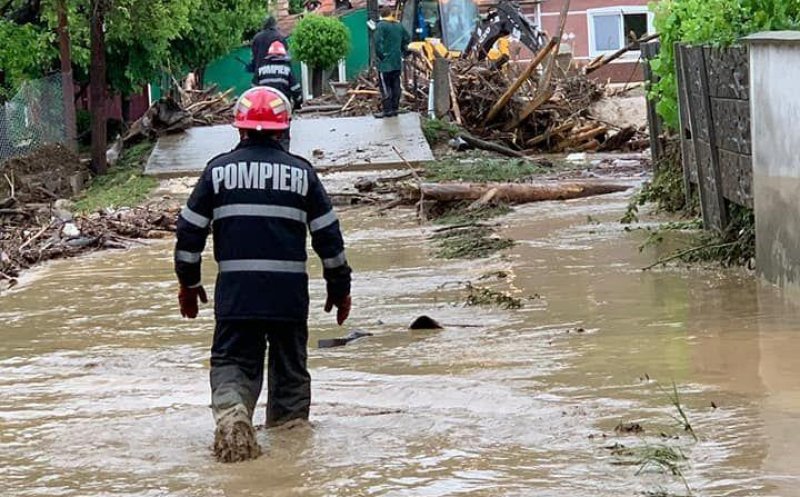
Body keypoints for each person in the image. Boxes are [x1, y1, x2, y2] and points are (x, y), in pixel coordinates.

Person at [173, 87, 353, 463]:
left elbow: (189, 234)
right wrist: (340, 289)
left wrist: (189, 284)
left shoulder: (217, 171)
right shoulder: (303, 174)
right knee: (289, 378)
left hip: (237, 298)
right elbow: (329, 241)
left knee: (231, 364)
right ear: (283, 129)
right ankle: (289, 455)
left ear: (239, 130)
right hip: (288, 301)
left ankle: (234, 413)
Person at [374, 6, 410, 118]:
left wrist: (381, 56)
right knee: (396, 85)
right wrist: (403, 52)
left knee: (385, 87)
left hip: (385, 64)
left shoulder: (380, 26)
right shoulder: (399, 25)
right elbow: (407, 39)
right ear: (391, 14)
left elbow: (377, 43)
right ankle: (395, 108)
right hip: (397, 62)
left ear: (382, 14)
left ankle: (387, 110)